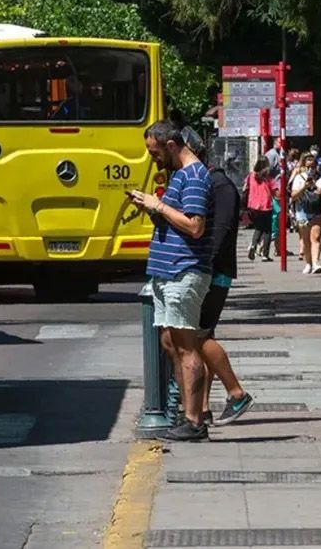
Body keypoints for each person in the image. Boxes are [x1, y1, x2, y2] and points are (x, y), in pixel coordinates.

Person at [127, 121, 214, 442]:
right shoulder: (181, 176)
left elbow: (195, 227)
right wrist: (154, 209)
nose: (153, 159)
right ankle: (186, 412)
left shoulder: (193, 177)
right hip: (169, 272)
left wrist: (159, 205)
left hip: (184, 270)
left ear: (172, 145)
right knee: (169, 342)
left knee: (187, 346)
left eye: (154, 151)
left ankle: (194, 419)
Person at [194, 133, 257, 426]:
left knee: (200, 336)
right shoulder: (216, 184)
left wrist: (203, 267)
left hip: (214, 273)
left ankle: (236, 392)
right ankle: (203, 407)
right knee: (203, 337)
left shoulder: (220, 186)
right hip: (212, 271)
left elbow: (219, 232)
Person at [290, 152, 321, 274]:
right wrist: (304, 187)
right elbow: (293, 196)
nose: (311, 169)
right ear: (304, 167)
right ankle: (309, 263)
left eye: (313, 166)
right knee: (306, 240)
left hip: (318, 211)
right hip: (302, 211)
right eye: (308, 167)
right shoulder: (299, 178)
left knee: (315, 238)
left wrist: (320, 191)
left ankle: (316, 263)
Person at [243, 159, 275, 261]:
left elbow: (244, 188)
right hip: (265, 205)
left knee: (258, 228)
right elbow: (274, 190)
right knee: (267, 230)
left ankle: (253, 245)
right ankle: (265, 254)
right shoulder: (268, 176)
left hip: (253, 206)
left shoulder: (251, 175)